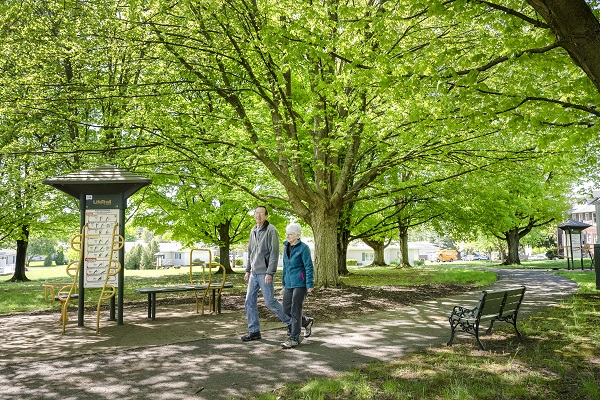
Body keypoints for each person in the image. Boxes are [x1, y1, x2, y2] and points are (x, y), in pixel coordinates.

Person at [241, 206, 291, 341]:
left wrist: (270, 272)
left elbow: (274, 253)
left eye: (261, 214)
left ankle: (291, 322)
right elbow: (251, 252)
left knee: (269, 302)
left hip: (265, 273)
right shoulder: (253, 230)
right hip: (254, 273)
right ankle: (254, 331)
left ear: (266, 216)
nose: (258, 216)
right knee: (249, 301)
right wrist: (247, 270)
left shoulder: (271, 230)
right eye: (256, 213)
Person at [280, 222, 314, 349]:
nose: (287, 236)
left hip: (300, 283)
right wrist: (283, 282)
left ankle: (294, 338)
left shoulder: (303, 248)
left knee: (295, 309)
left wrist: (309, 283)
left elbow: (308, 266)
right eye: (287, 233)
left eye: (290, 234)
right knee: (286, 309)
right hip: (289, 283)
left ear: (298, 235)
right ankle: (306, 321)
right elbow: (285, 267)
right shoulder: (286, 247)